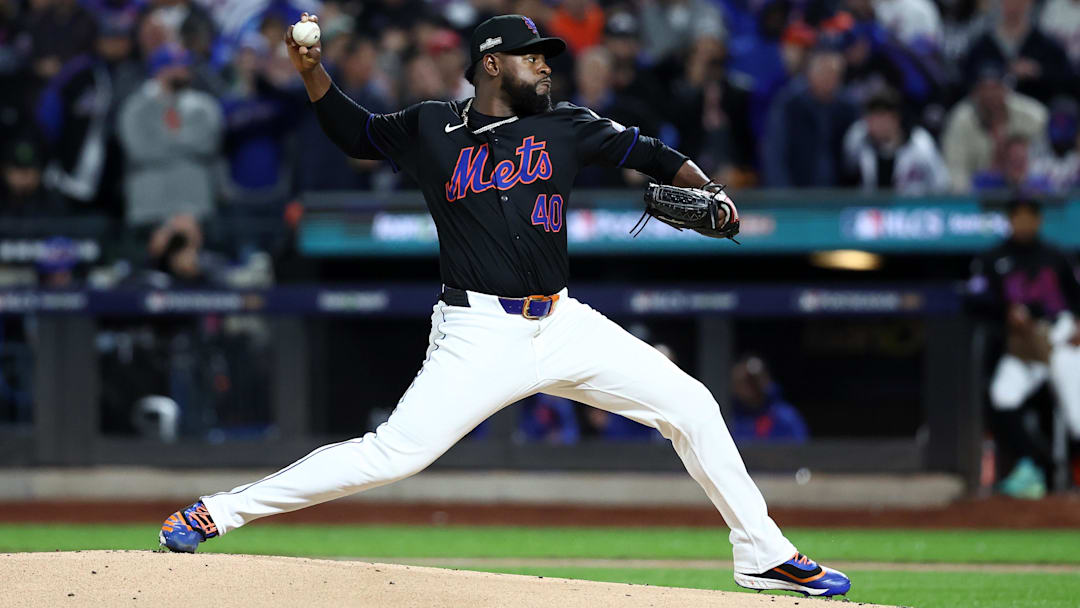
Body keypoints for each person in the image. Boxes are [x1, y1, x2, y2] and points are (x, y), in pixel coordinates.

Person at [159, 13, 851, 597]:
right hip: (477, 332)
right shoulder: (432, 126)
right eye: (533, 58)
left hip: (563, 322)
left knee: (692, 405)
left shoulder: (567, 126)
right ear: (491, 64)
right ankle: (216, 512)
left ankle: (760, 552)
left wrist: (715, 193)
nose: (547, 68)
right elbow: (353, 133)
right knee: (391, 456)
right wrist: (312, 70)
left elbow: (653, 154)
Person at [968, 198, 1080, 498]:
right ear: (1010, 220)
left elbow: (1076, 294)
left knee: (1078, 416)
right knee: (1001, 398)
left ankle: (1069, 476)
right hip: (1025, 344)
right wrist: (1005, 311)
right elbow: (975, 301)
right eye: (1018, 217)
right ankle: (1042, 464)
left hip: (1061, 338)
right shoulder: (994, 258)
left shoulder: (1056, 255)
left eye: (1030, 217)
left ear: (1039, 221)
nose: (1025, 223)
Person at [117, 44, 224, 227]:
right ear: (160, 70)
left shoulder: (204, 106)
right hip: (149, 206)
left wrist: (163, 138)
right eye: (177, 67)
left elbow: (208, 144)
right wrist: (186, 142)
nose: (184, 72)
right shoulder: (136, 107)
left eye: (185, 67)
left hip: (195, 205)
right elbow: (139, 150)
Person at [762, 44, 860, 187]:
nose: (829, 80)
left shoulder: (848, 107)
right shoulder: (789, 104)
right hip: (797, 190)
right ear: (810, 74)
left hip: (839, 194)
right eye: (824, 73)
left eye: (834, 74)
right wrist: (782, 195)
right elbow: (775, 152)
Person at [940, 63, 1047, 193]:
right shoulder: (960, 120)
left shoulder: (1033, 116)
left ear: (1006, 90)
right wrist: (969, 203)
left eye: (996, 88)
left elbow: (1046, 160)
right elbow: (955, 171)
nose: (990, 95)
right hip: (977, 193)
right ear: (975, 93)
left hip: (1029, 191)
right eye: (984, 89)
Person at [842, 87, 949, 195]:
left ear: (895, 119)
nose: (874, 125)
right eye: (870, 118)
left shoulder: (920, 142)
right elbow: (847, 175)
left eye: (881, 118)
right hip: (869, 207)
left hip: (911, 207)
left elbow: (941, 182)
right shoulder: (857, 137)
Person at [729, 355, 808, 443]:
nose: (750, 386)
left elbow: (800, 449)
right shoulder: (729, 417)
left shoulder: (786, 417)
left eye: (754, 380)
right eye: (744, 381)